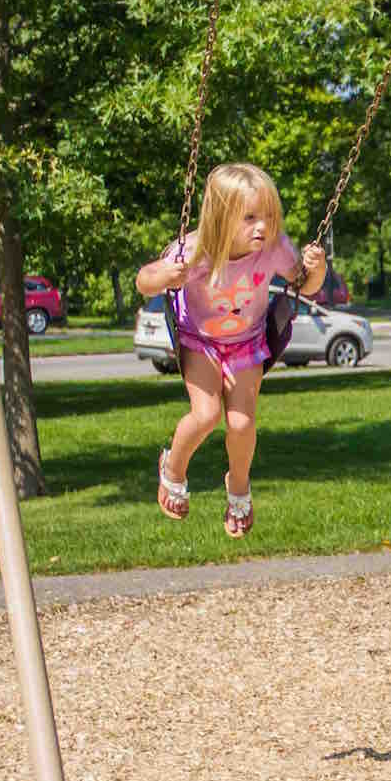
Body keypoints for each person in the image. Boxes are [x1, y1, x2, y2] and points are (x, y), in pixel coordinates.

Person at [135, 163, 326, 537]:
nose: (262, 226)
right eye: (250, 217)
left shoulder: (273, 249)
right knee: (205, 415)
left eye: (268, 216)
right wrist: (165, 278)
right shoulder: (192, 251)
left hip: (246, 342)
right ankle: (173, 468)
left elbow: (306, 285)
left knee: (241, 423)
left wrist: (315, 269)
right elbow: (145, 281)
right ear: (222, 218)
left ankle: (239, 484)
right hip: (199, 341)